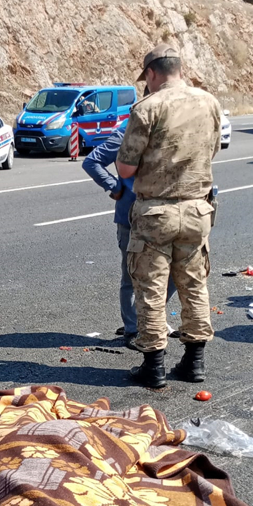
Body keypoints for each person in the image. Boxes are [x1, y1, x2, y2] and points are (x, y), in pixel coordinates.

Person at [116, 43, 222, 389]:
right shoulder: (209, 102)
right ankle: (194, 362)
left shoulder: (148, 107)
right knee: (194, 284)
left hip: (156, 212)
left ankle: (154, 365)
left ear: (151, 73)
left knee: (150, 287)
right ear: (180, 68)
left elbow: (125, 167)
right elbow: (213, 151)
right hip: (197, 209)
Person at [82, 118, 177, 350]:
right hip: (132, 218)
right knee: (132, 275)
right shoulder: (128, 132)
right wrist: (115, 187)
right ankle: (133, 329)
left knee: (175, 271)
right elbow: (92, 161)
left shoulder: (175, 127)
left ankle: (149, 317)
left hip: (167, 216)